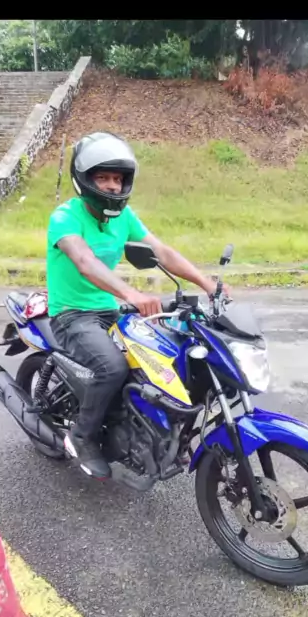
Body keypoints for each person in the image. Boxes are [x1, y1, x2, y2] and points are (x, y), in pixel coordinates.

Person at [47, 131, 230, 480]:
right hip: (72, 314)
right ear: (84, 179)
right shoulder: (65, 217)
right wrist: (131, 294)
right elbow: (84, 261)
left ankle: (142, 430)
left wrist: (207, 284)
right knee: (112, 367)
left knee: (161, 358)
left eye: (118, 179)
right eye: (103, 177)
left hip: (109, 310)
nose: (112, 186)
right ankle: (82, 436)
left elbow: (163, 252)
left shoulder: (124, 217)